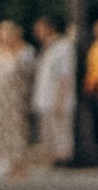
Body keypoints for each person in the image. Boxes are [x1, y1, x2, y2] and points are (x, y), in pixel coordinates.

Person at [0, 21, 34, 177]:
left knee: (18, 130)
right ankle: (5, 161)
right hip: (0, 99)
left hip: (17, 98)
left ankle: (19, 163)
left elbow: (29, 74)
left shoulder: (25, 51)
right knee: (1, 130)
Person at [33, 16, 77, 167]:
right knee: (49, 133)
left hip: (58, 98)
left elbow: (64, 75)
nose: (38, 33)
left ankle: (64, 160)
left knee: (61, 132)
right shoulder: (46, 48)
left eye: (40, 29)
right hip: (45, 98)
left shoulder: (63, 46)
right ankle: (53, 159)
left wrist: (60, 100)